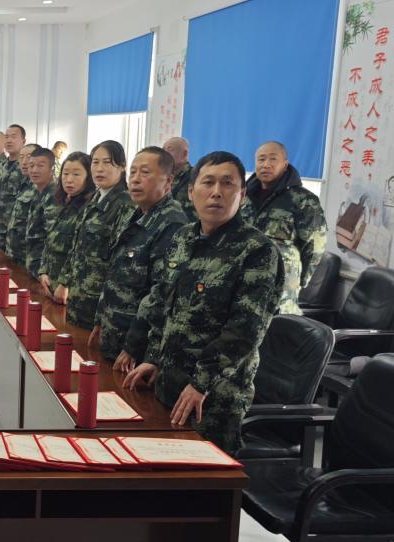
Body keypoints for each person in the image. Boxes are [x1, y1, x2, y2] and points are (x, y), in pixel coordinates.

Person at [120, 150, 280, 453]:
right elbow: (163, 302)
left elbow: (245, 331)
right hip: (167, 383)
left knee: (202, 478)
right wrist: (152, 356)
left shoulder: (257, 251)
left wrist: (200, 384)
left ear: (242, 194)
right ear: (191, 192)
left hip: (212, 398)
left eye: (227, 183)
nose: (216, 192)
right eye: (208, 182)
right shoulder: (183, 238)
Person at [93, 147, 188, 361]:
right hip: (114, 333)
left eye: (145, 173)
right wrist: (100, 320)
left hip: (135, 350)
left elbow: (161, 295)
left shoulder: (171, 224)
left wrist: (132, 348)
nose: (135, 179)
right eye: (133, 172)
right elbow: (115, 274)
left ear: (168, 181)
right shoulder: (137, 215)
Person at [241, 141, 327, 315]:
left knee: (279, 327)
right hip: (243, 278)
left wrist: (300, 280)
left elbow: (314, 245)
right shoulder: (243, 196)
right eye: (261, 159)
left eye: (273, 159)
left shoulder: (303, 200)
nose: (266, 164)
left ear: (285, 164)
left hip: (282, 282)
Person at [58, 140, 135, 328]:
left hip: (99, 307)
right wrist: (64, 281)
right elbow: (77, 246)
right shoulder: (95, 197)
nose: (99, 169)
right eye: (95, 162)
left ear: (122, 166)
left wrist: (104, 315)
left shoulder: (125, 204)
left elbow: (119, 266)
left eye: (107, 162)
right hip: (78, 297)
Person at [34, 151, 94, 299]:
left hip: (68, 291)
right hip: (50, 285)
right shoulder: (64, 204)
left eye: (76, 174)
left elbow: (78, 252)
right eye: (65, 174)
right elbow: (50, 240)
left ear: (89, 176)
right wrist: (43, 272)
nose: (69, 179)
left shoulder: (89, 209)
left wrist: (64, 283)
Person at [20, 147, 60, 279]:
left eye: (40, 166)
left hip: (44, 269)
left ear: (52, 169)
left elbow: (53, 238)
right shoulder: (38, 192)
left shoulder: (53, 196)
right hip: (32, 262)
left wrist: (44, 270)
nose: (34, 170)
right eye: (31, 166)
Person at [3, 143, 41, 265]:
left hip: (28, 256)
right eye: (21, 157)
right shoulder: (24, 183)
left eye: (28, 157)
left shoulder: (42, 187)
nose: (24, 162)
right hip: (14, 252)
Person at [0, 124, 29, 246]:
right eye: (7, 137)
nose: (9, 140)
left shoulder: (27, 168)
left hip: (17, 233)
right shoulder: (1, 166)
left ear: (23, 141)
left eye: (13, 137)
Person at [163, 137, 194, 220]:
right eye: (163, 150)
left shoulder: (196, 176)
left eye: (169, 150)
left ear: (185, 154)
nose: (164, 154)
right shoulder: (162, 178)